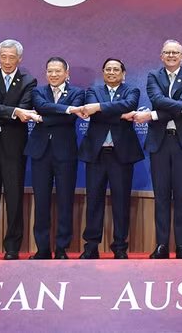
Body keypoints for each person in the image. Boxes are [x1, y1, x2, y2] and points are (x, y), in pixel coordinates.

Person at [133, 40, 182, 259]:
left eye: (175, 52)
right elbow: (158, 99)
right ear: (161, 56)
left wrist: (153, 115)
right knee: (160, 196)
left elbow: (181, 104)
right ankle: (161, 245)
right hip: (159, 142)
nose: (171, 55)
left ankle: (181, 246)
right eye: (167, 52)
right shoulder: (152, 76)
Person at [0, 39, 40, 260]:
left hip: (14, 148)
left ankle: (12, 248)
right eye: (3, 56)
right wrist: (13, 113)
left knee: (14, 200)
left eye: (11, 57)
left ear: (19, 59)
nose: (7, 61)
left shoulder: (29, 81)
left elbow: (24, 110)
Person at [78, 58, 144, 259]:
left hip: (121, 155)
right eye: (108, 69)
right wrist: (120, 114)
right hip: (96, 154)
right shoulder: (92, 91)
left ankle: (120, 247)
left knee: (121, 202)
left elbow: (129, 105)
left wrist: (99, 108)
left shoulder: (132, 90)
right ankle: (91, 247)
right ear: (103, 72)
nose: (112, 72)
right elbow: (92, 113)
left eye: (116, 69)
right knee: (94, 201)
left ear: (123, 73)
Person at [24, 57, 84, 260]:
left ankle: (61, 248)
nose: (54, 74)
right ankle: (42, 249)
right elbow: (41, 106)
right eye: (50, 71)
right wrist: (66, 110)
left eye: (58, 71)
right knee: (41, 202)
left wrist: (43, 117)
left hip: (65, 153)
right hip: (40, 152)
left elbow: (70, 118)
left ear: (67, 73)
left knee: (65, 201)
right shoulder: (38, 91)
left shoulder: (78, 92)